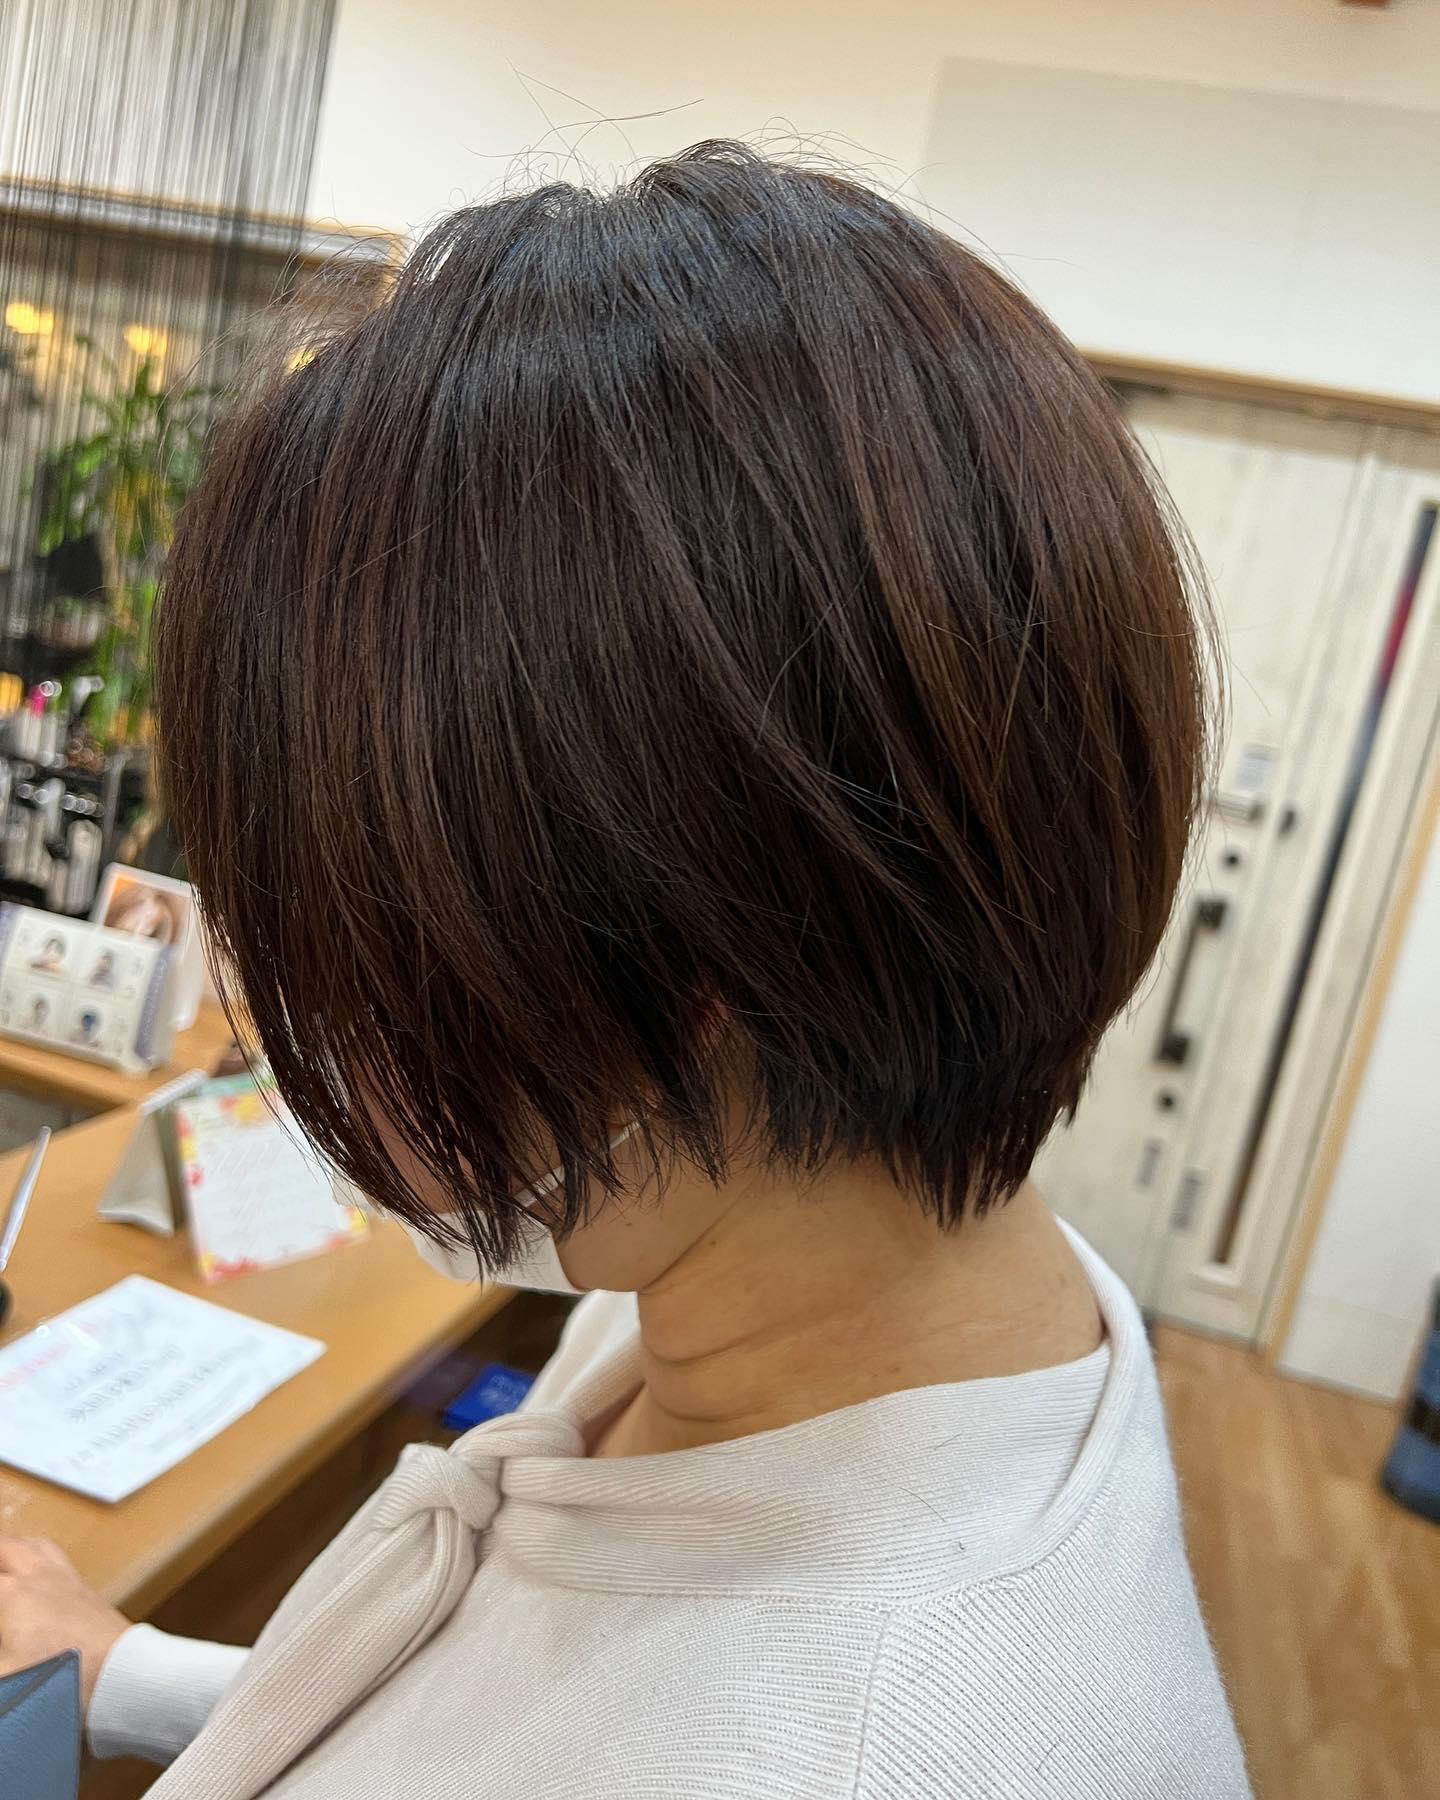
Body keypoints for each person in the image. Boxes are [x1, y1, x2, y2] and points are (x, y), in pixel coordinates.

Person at [0, 144, 1249, 1797]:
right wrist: (125, 1672)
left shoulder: (874, 1746)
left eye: (349, 937)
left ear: (701, 942)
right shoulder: (833, 1282)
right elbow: (496, 1713)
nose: (297, 1018)